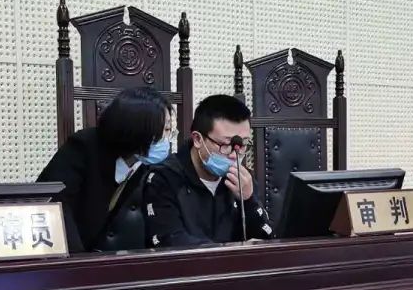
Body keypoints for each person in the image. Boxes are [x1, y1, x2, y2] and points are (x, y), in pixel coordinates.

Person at [38, 87, 173, 252]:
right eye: (166, 130)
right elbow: (53, 207)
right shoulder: (83, 146)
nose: (169, 139)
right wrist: (80, 261)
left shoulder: (142, 162)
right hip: (65, 252)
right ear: (139, 130)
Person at [144, 94, 273, 247]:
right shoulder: (164, 177)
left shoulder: (242, 178)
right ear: (198, 139)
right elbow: (169, 240)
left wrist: (248, 200)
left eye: (242, 145)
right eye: (226, 145)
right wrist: (230, 250)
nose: (234, 155)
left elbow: (267, 238)